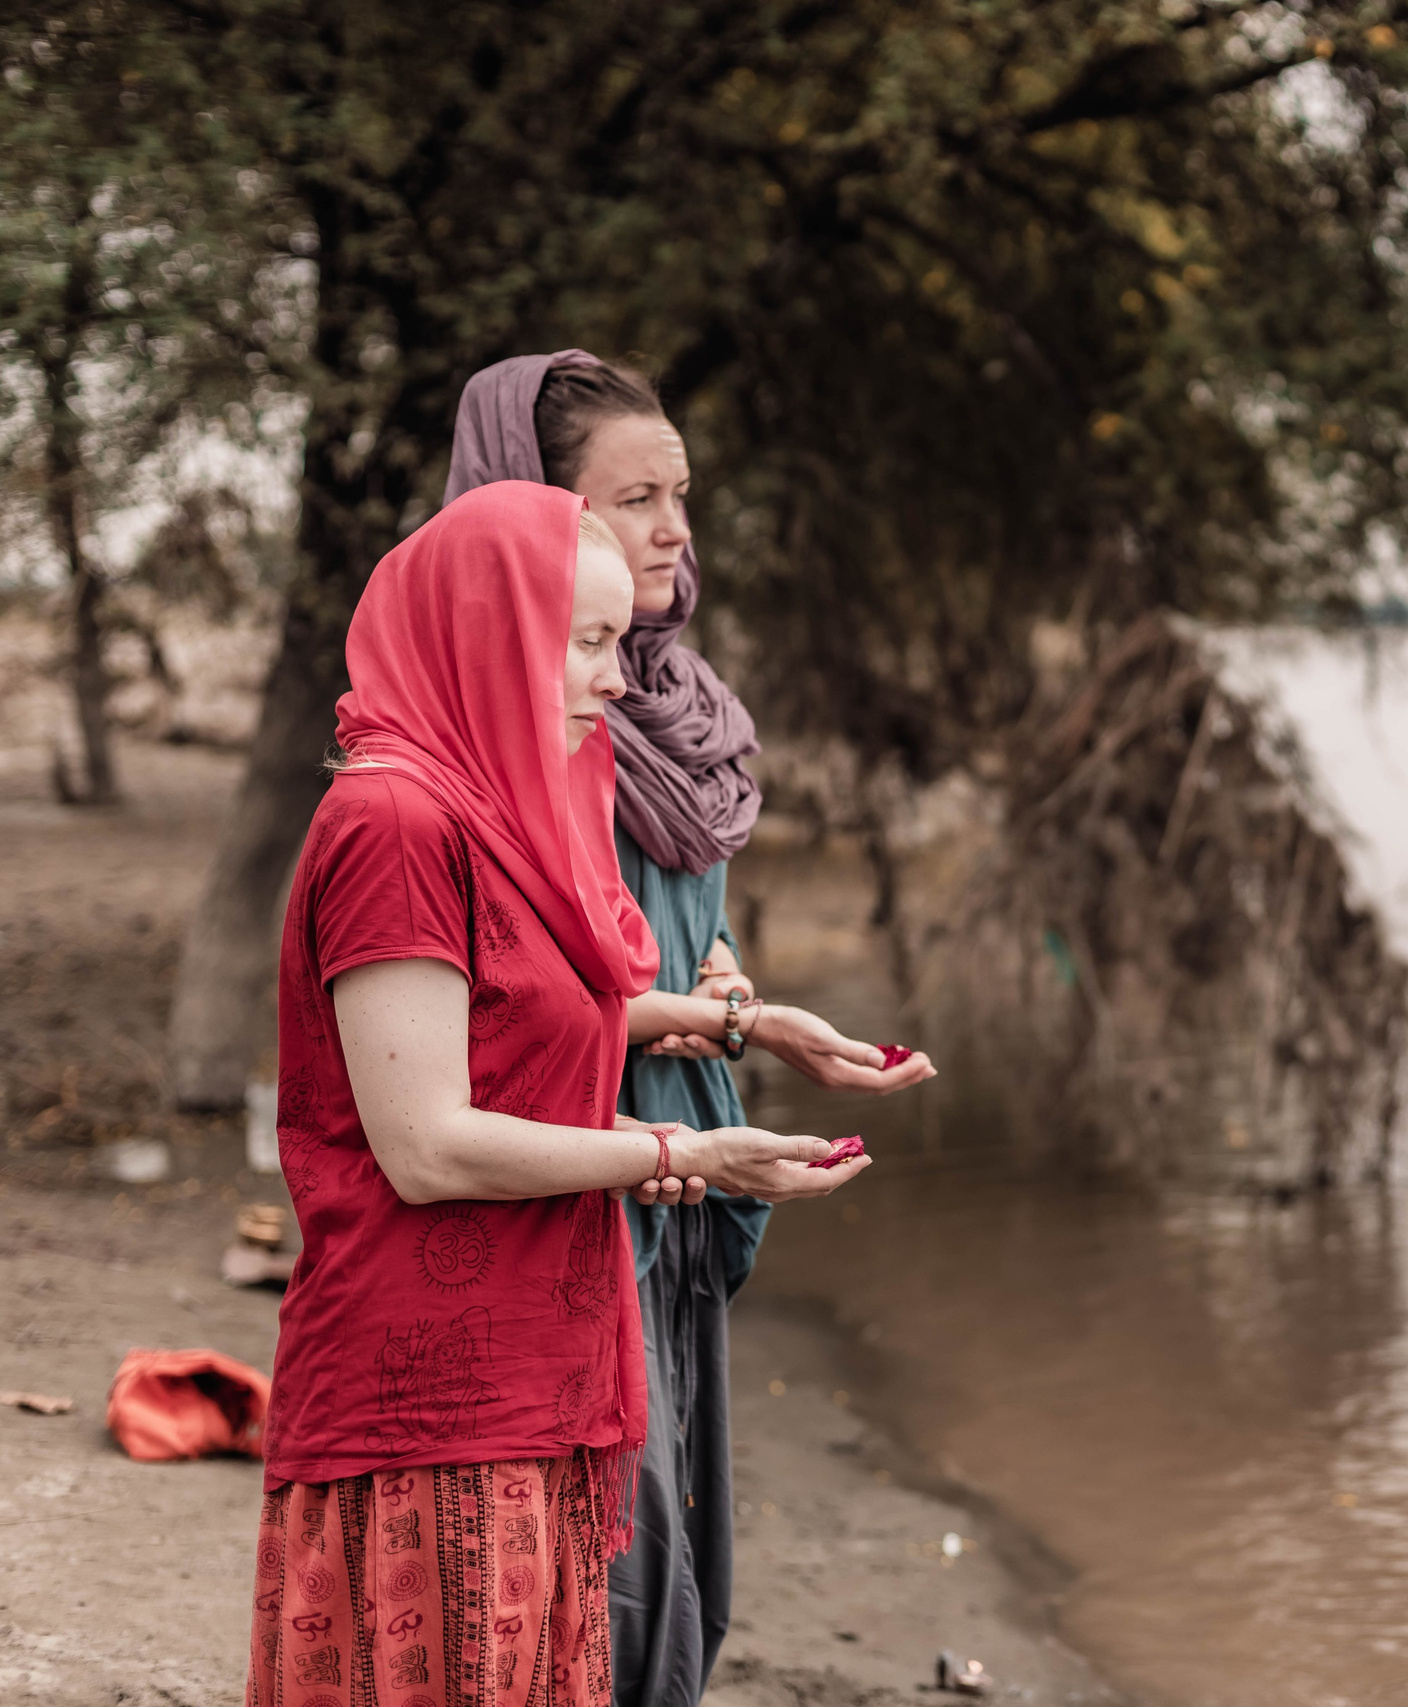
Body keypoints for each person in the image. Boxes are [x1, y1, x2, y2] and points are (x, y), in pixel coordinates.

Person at [247, 482, 870, 1706]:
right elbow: (427, 1145)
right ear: (485, 636)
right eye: (584, 642)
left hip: (540, 1373)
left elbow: (524, 1037)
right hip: (429, 1407)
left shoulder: (490, 815)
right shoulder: (394, 822)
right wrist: (683, 1158)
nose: (618, 679)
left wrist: (734, 1031)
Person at [441, 351, 935, 1707]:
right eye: (635, 499)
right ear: (536, 515)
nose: (674, 529)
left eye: (681, 495)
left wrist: (750, 1008)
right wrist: (731, 1025)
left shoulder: (672, 700)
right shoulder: (517, 721)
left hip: (681, 1156)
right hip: (576, 1164)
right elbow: (523, 1001)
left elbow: (684, 930)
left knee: (683, 1552)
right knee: (619, 1564)